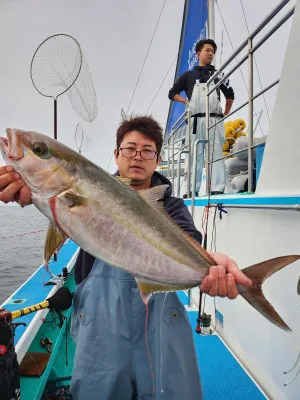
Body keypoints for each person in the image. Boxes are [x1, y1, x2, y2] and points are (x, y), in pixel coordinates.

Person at [0, 116, 251, 400]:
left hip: (161, 341)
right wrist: (33, 195)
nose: (137, 157)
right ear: (116, 155)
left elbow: (189, 239)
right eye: (129, 149)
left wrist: (210, 263)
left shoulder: (171, 205)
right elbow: (66, 214)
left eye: (147, 151)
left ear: (157, 160)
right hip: (101, 342)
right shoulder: (85, 190)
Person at [168, 39, 235, 196]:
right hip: (195, 121)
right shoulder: (188, 76)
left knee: (216, 153)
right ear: (199, 53)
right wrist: (185, 100)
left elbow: (230, 94)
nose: (211, 53)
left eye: (213, 51)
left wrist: (225, 113)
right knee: (194, 155)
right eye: (207, 50)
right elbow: (172, 93)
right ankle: (191, 189)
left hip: (214, 119)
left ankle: (217, 187)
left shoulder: (219, 74)